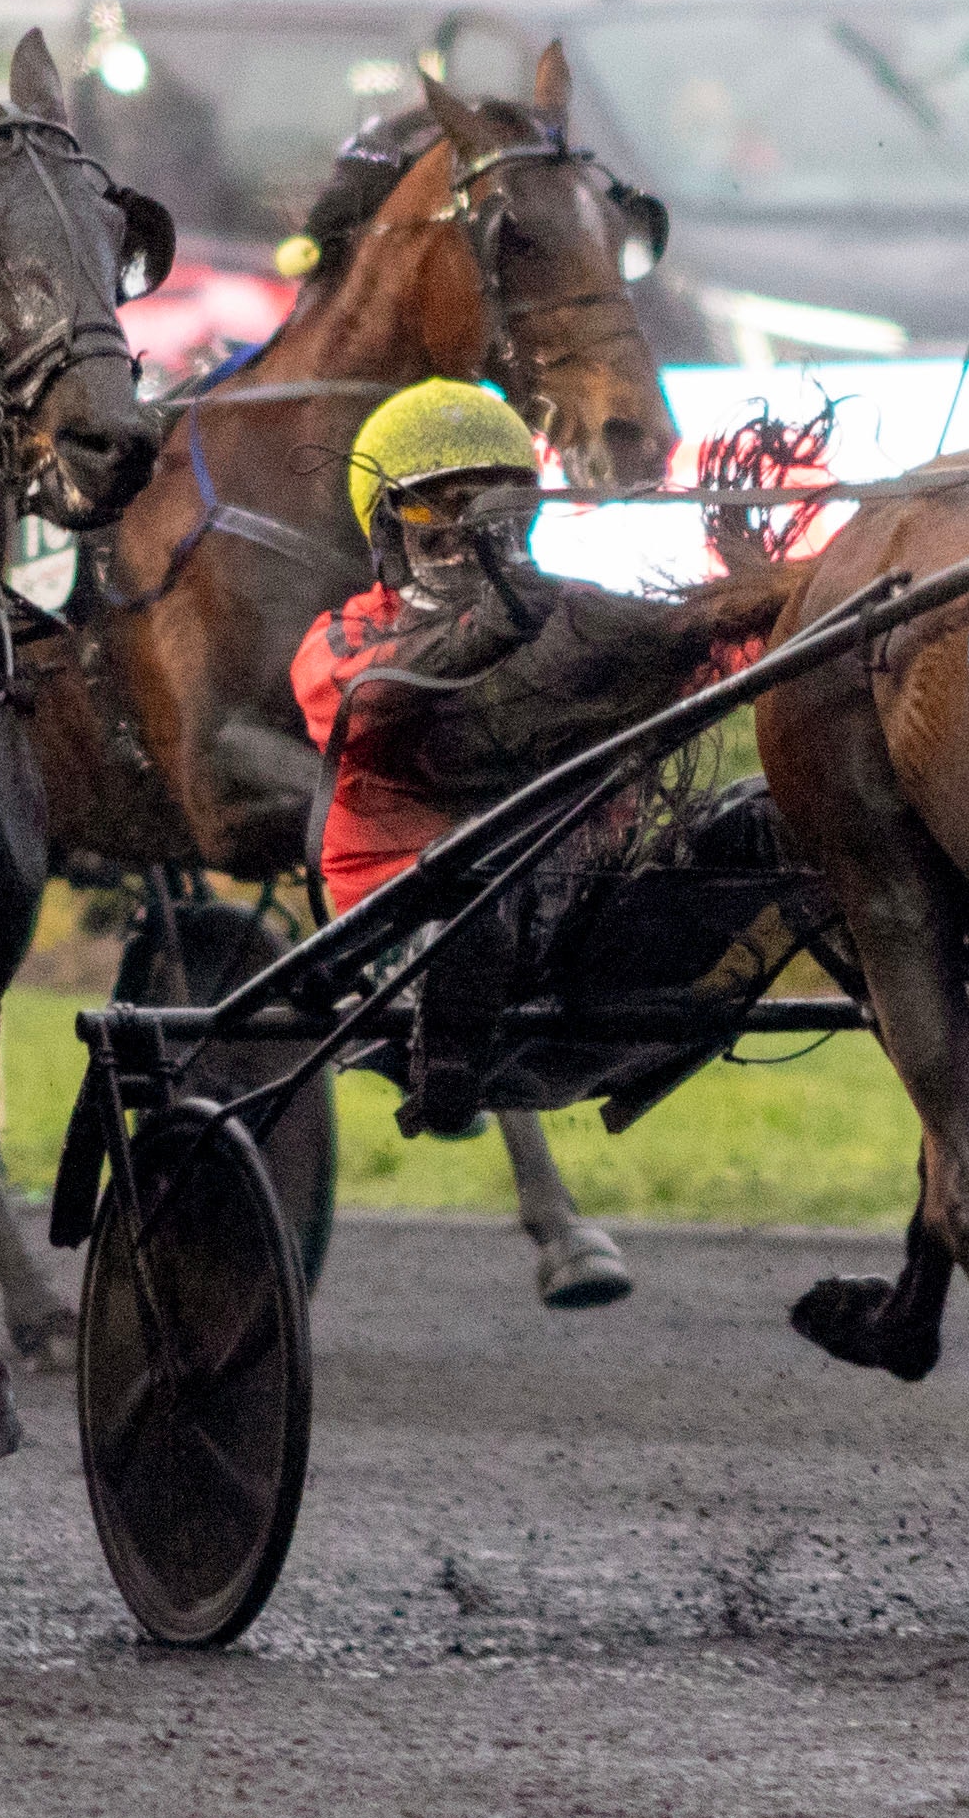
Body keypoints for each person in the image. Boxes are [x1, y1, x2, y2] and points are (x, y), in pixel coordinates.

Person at [291, 380, 802, 1304]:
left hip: (578, 924)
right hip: (415, 932)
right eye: (435, 509)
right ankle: (446, 1074)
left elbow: (728, 644)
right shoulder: (341, 636)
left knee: (778, 816)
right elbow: (373, 701)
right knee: (485, 866)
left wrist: (762, 583)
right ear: (384, 527)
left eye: (490, 506)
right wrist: (489, 628)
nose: (464, 533)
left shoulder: (579, 610)